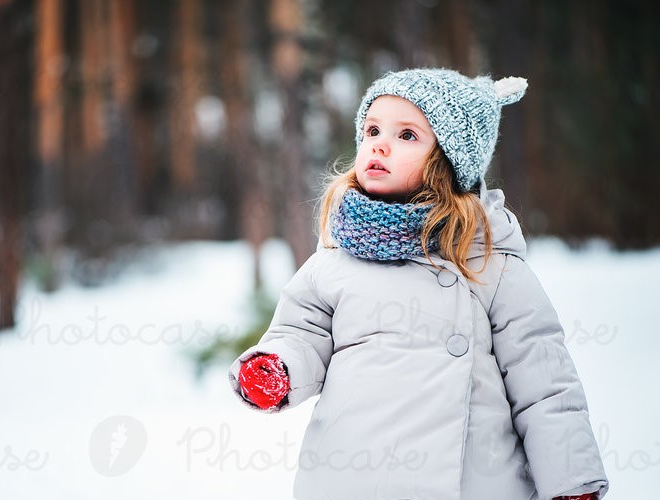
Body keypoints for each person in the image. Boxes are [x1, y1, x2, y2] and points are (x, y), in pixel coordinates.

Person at [228, 68, 609, 500]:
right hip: (351, 478)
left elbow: (544, 382)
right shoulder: (335, 258)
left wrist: (570, 480)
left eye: (406, 135)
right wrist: (277, 367)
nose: (379, 143)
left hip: (473, 483)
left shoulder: (489, 264)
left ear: (447, 161)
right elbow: (301, 333)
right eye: (372, 129)